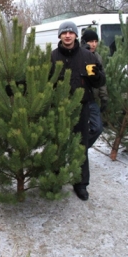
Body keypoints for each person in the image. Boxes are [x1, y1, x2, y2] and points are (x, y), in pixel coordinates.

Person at [50, 21, 106, 200]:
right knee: (57, 144)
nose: (67, 35)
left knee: (80, 146)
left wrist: (97, 76)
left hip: (81, 106)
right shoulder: (52, 57)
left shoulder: (88, 57)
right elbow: (42, 80)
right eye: (64, 33)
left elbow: (100, 81)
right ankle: (56, 179)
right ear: (59, 36)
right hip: (59, 107)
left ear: (75, 35)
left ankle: (80, 183)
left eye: (71, 33)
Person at [81, 29, 109, 148]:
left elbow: (102, 80)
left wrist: (104, 97)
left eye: (95, 41)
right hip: (77, 98)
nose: (93, 44)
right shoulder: (79, 55)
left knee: (97, 128)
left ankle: (80, 149)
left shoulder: (97, 57)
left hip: (91, 99)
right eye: (90, 41)